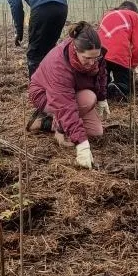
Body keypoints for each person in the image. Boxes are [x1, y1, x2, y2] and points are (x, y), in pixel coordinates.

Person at [26, 21, 109, 170]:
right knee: (88, 99)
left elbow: (101, 74)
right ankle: (45, 120)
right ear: (75, 50)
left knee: (95, 132)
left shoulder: (95, 54)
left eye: (95, 58)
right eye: (87, 58)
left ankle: (53, 123)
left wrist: (102, 98)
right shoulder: (59, 64)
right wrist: (82, 146)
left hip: (73, 92)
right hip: (45, 94)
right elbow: (65, 105)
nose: (92, 63)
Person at [7, 0, 68, 77]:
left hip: (42, 7)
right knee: (49, 48)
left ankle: (36, 86)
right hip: (62, 7)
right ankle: (53, 81)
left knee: (34, 54)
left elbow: (15, 4)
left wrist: (19, 31)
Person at [98, 1, 138, 100]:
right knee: (124, 86)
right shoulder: (134, 16)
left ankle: (105, 89)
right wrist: (133, 64)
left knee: (102, 81)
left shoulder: (107, 15)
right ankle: (118, 89)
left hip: (100, 53)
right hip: (120, 53)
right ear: (135, 11)